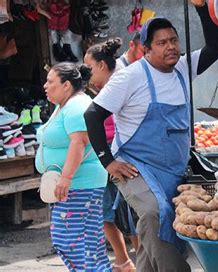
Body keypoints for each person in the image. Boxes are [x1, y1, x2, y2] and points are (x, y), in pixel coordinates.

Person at [83, 0, 218, 270]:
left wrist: (201, 7)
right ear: (146, 50)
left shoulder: (183, 68)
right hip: (136, 167)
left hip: (172, 169)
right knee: (154, 213)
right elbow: (93, 114)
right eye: (161, 43)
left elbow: (216, 48)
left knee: (161, 229)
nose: (170, 46)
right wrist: (108, 161)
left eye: (173, 40)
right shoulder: (129, 77)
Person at [35, 62, 110, 271]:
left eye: (50, 82)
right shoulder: (66, 105)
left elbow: (79, 142)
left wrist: (66, 178)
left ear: (66, 85)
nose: (45, 86)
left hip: (79, 184)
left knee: (71, 240)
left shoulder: (76, 106)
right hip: (76, 184)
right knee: (86, 242)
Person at [84, 37, 141, 272]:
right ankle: (128, 261)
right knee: (118, 216)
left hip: (125, 162)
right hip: (112, 163)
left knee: (132, 217)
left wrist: (108, 160)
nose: (86, 73)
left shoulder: (118, 86)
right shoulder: (106, 88)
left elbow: (100, 122)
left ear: (101, 66)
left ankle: (140, 260)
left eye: (89, 67)